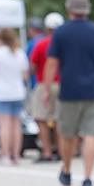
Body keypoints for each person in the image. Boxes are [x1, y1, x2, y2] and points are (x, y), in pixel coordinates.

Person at [44, 0, 94, 186]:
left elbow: (51, 62)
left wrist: (47, 88)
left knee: (67, 134)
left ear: (69, 9)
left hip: (69, 91)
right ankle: (88, 179)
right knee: (91, 133)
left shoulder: (61, 32)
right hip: (93, 90)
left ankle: (66, 171)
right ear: (87, 10)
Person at [0, 28, 29, 166]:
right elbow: (25, 75)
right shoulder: (20, 53)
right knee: (16, 125)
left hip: (1, 93)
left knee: (4, 125)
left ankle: (5, 154)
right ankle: (16, 155)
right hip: (17, 92)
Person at [30, 12, 65, 163]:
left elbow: (32, 66)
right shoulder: (66, 45)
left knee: (42, 119)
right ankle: (61, 150)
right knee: (59, 119)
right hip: (63, 84)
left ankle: (47, 152)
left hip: (44, 84)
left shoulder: (41, 44)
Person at [26, 17, 45, 89]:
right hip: (50, 82)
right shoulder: (48, 41)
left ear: (32, 29)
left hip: (36, 83)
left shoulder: (31, 44)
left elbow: (27, 64)